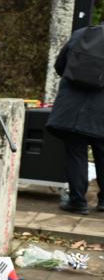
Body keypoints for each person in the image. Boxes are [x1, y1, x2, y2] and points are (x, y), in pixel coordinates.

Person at [47, 23, 104, 215]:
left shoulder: (81, 34)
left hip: (73, 108)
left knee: (76, 154)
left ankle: (77, 201)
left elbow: (60, 65)